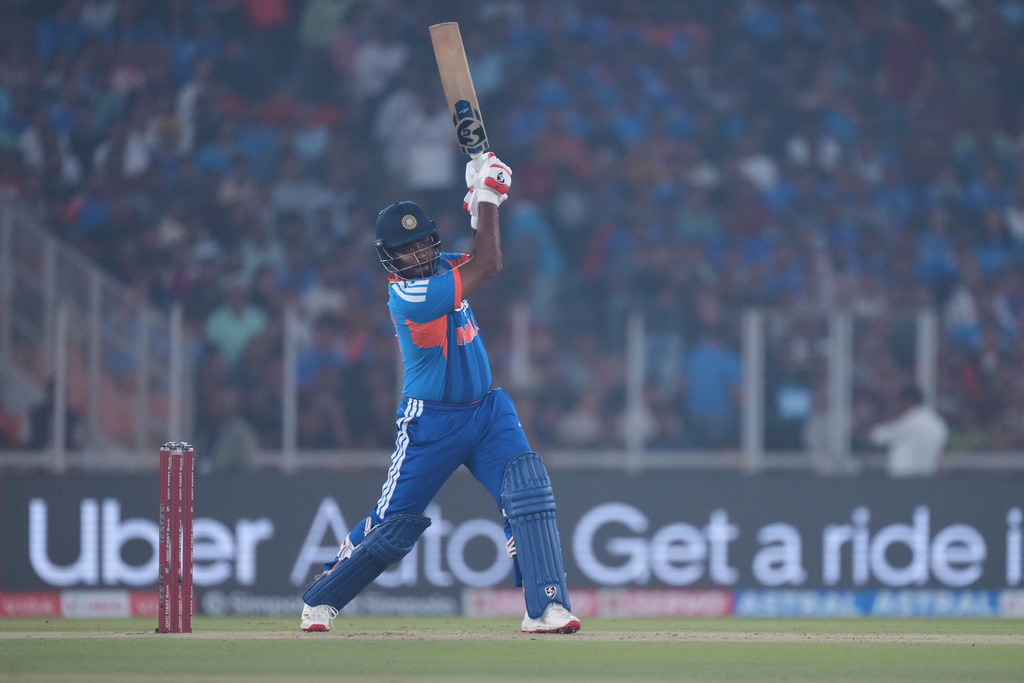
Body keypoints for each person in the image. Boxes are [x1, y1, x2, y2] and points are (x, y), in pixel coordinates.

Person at [300, 153, 580, 635]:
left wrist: (477, 202)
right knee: (392, 528)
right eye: (403, 250)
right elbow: (489, 262)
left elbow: (482, 252)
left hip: (488, 412)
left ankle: (547, 607)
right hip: (431, 423)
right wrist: (490, 196)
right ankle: (322, 597)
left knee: (528, 492)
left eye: (421, 244)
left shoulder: (445, 267)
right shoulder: (406, 295)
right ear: (390, 258)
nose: (415, 255)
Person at [869, 384, 950, 477]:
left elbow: (877, 436)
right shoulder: (938, 423)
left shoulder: (911, 420)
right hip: (927, 477)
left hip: (904, 478)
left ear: (905, 401)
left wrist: (889, 415)